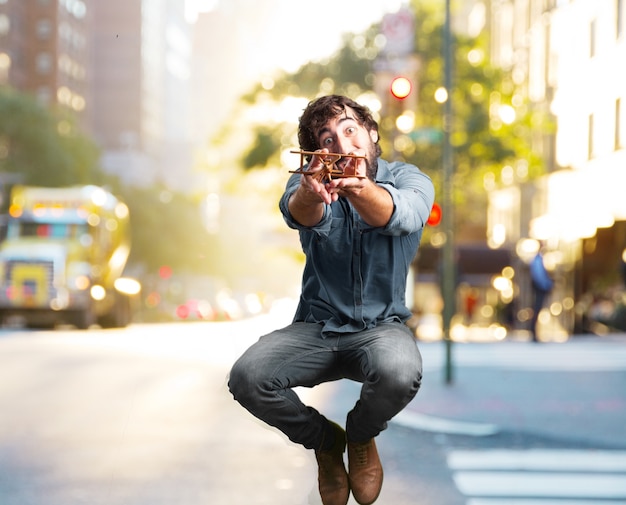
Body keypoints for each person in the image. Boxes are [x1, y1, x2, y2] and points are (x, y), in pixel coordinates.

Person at [228, 95, 434, 505]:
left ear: (371, 134)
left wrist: (358, 188)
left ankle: (360, 436)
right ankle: (325, 441)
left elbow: (397, 213)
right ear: (317, 151)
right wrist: (310, 189)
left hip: (380, 329)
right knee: (247, 377)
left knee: (401, 369)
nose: (342, 144)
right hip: (316, 329)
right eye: (328, 138)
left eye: (349, 130)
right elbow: (299, 212)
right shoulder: (308, 180)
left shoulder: (412, 179)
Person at [529, 247, 553, 342]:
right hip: (540, 288)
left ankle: (534, 332)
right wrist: (546, 285)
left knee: (537, 310)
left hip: (540, 287)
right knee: (536, 310)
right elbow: (538, 275)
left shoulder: (538, 260)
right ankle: (533, 332)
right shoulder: (538, 260)